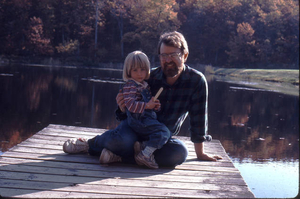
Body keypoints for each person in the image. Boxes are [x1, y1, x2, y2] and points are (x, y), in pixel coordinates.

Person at [63, 31, 222, 168]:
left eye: (173, 55)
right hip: (134, 129)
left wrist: (200, 153)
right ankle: (89, 145)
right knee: (123, 141)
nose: (167, 60)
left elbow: (199, 119)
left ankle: (119, 157)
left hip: (160, 138)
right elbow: (127, 111)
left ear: (185, 55)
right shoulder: (147, 77)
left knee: (179, 154)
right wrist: (121, 108)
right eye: (163, 55)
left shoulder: (197, 81)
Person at [121, 50, 171, 169]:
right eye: (135, 70)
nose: (140, 74)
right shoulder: (130, 85)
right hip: (138, 120)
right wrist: (146, 106)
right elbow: (130, 105)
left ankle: (144, 148)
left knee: (164, 132)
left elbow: (148, 106)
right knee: (164, 132)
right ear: (128, 71)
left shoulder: (144, 84)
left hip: (146, 118)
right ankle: (145, 154)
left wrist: (154, 105)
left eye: (142, 69)